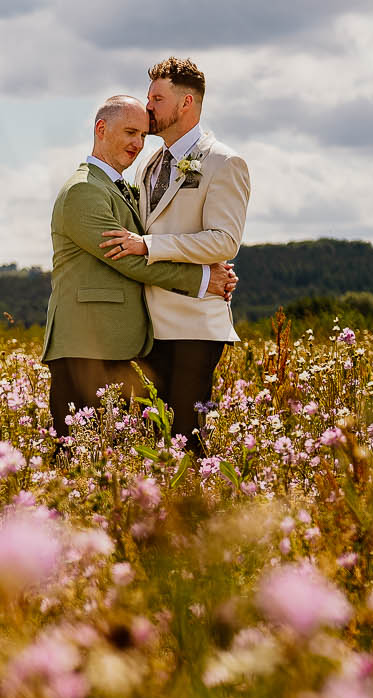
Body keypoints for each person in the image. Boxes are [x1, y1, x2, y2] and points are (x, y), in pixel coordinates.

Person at [42, 96, 236, 442]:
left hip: (114, 346)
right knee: (74, 454)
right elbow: (129, 259)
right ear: (101, 129)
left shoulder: (121, 188)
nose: (138, 144)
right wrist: (202, 279)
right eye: (130, 132)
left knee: (105, 454)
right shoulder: (83, 191)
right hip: (84, 345)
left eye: (144, 136)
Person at [101, 57, 251, 455]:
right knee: (154, 439)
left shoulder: (224, 162)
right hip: (149, 325)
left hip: (194, 323)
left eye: (156, 98)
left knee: (186, 436)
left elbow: (224, 241)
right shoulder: (149, 163)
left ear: (186, 103)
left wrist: (149, 246)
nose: (147, 107)